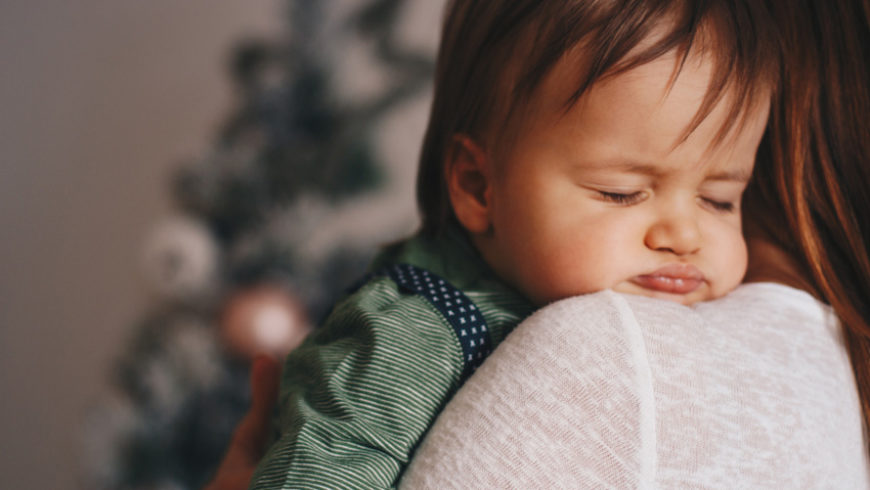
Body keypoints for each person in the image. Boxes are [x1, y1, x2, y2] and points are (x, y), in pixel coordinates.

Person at [206, 0, 870, 487]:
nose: (685, 234)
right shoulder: (417, 330)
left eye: (721, 199)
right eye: (620, 192)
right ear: (478, 186)